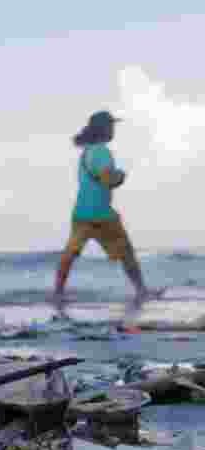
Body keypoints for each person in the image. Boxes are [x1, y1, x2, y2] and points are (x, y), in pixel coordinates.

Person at [53, 111, 157, 306]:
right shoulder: (101, 151)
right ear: (103, 129)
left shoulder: (87, 151)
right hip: (101, 214)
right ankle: (142, 291)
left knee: (70, 253)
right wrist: (120, 176)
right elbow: (107, 179)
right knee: (126, 252)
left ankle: (57, 293)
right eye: (111, 125)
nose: (113, 129)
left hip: (81, 213)